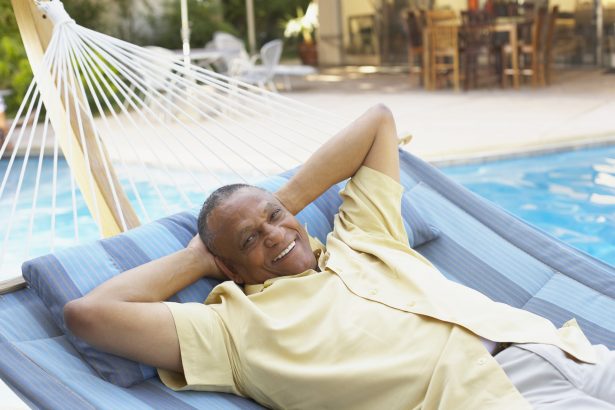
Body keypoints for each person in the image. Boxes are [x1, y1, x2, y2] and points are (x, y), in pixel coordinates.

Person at [64, 105, 615, 409]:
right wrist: (199, 260)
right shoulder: (235, 329)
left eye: (275, 217)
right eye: (250, 241)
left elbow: (378, 122)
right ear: (229, 266)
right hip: (490, 400)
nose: (274, 236)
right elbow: (89, 315)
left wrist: (279, 207)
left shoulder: (362, 236)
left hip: (562, 350)